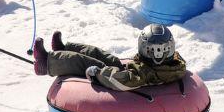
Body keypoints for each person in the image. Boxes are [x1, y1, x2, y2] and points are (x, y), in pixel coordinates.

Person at [31, 24, 187, 91]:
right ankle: (64, 48)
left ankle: (46, 63)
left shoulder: (145, 74)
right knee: (102, 54)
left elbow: (123, 80)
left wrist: (98, 73)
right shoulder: (171, 63)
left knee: (86, 63)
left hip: (127, 73)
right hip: (137, 67)